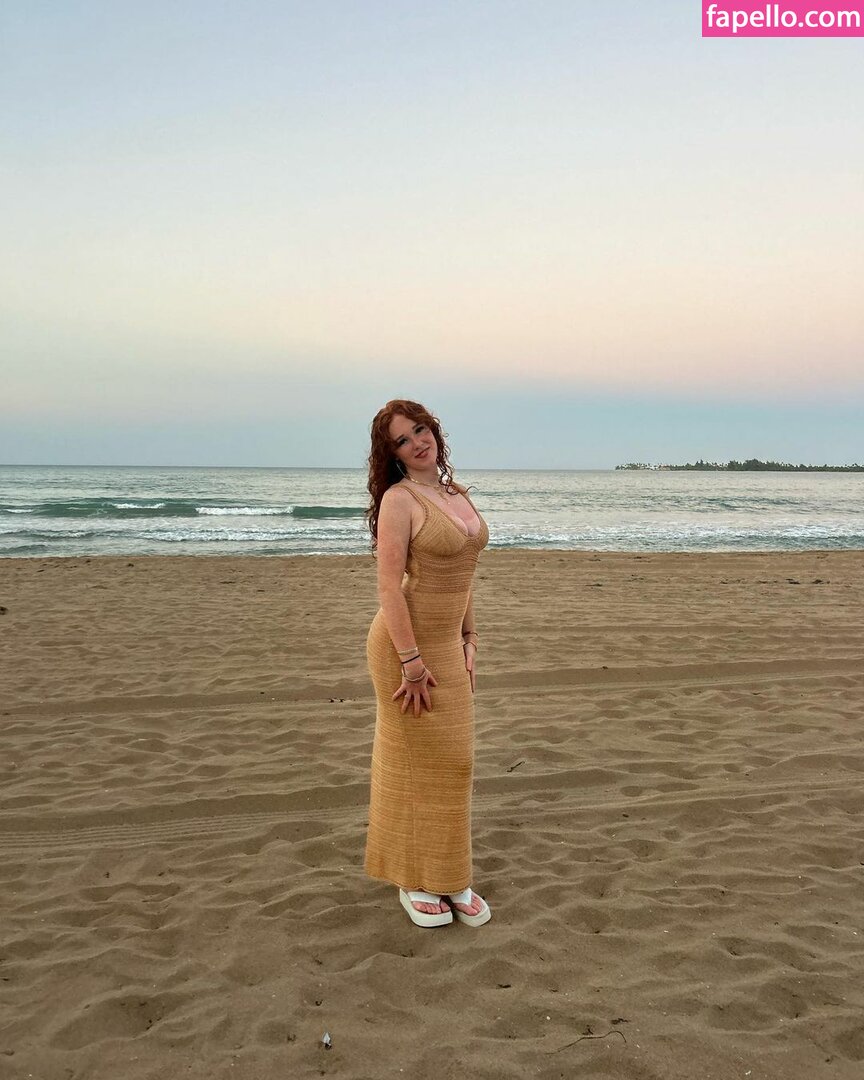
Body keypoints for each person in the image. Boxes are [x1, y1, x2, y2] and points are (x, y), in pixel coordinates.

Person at [364, 399, 492, 928]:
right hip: (404, 647)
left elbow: (464, 572)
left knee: (455, 762)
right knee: (412, 760)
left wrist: (470, 635)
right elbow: (389, 587)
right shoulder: (399, 500)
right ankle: (413, 879)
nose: (417, 442)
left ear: (434, 431)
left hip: (447, 643)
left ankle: (449, 873)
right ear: (391, 454)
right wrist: (411, 662)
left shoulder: (454, 493)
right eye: (402, 439)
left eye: (420, 430)